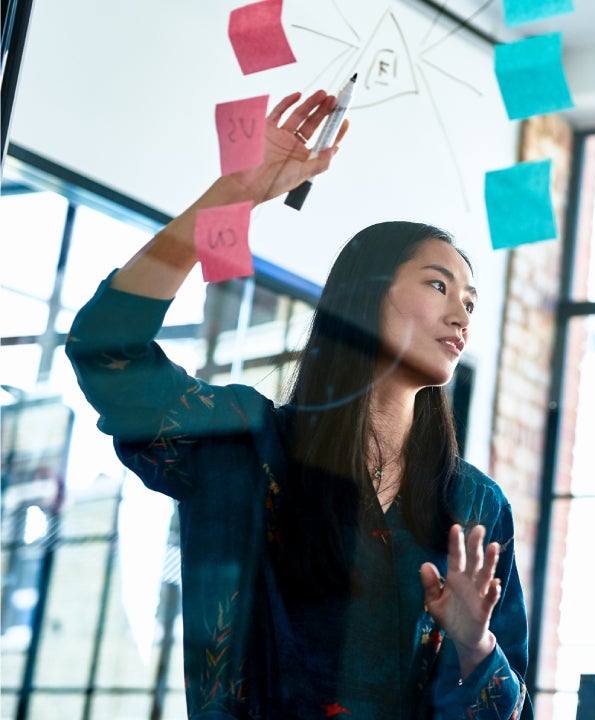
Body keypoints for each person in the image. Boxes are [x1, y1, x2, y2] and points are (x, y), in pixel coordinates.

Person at [66, 89, 530, 719]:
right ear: (365, 297)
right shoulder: (248, 445)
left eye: (471, 301)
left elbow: (514, 710)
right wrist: (230, 195)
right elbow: (108, 350)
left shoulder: (475, 507)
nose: (460, 314)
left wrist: (476, 644)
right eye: (438, 285)